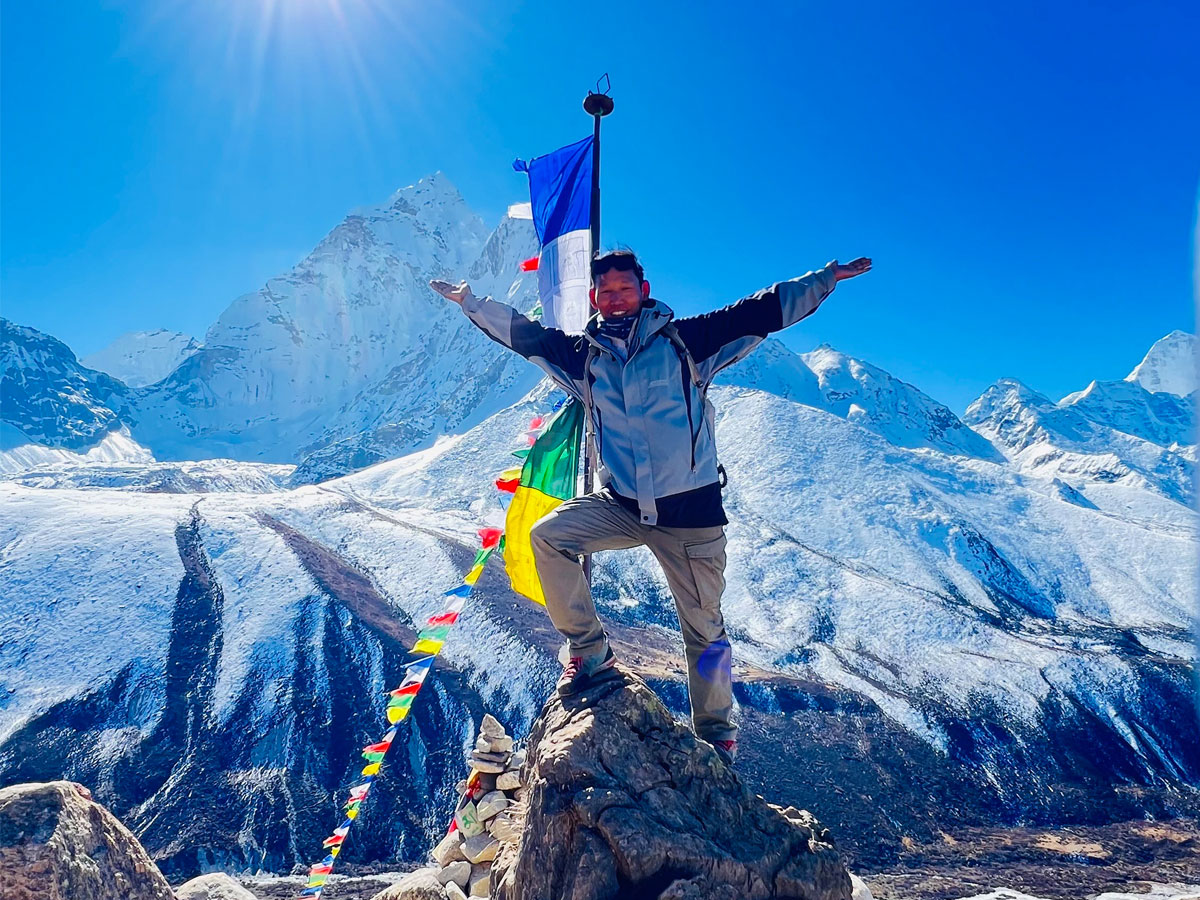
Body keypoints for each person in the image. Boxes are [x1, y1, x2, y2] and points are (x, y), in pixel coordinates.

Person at [431, 250, 871, 765]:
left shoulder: (689, 342)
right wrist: (470, 303)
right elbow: (526, 336)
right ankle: (589, 652)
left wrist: (824, 280)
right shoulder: (583, 358)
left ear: (644, 288)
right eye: (606, 291)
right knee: (549, 536)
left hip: (691, 516)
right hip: (621, 504)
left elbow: (761, 312)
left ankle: (716, 733)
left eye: (625, 287)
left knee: (704, 629)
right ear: (594, 298)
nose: (616, 297)